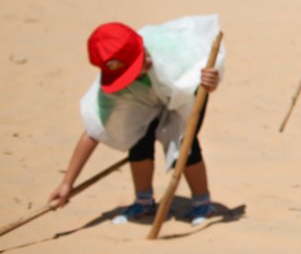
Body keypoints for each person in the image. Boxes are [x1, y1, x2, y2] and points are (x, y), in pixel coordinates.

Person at [49, 17, 224, 225]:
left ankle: (202, 202)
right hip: (144, 102)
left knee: (185, 144)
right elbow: (92, 131)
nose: (148, 61)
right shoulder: (113, 90)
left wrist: (209, 81)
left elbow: (202, 73)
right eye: (138, 65)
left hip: (185, 96)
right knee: (138, 140)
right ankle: (144, 201)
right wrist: (67, 182)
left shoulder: (168, 46)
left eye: (144, 55)